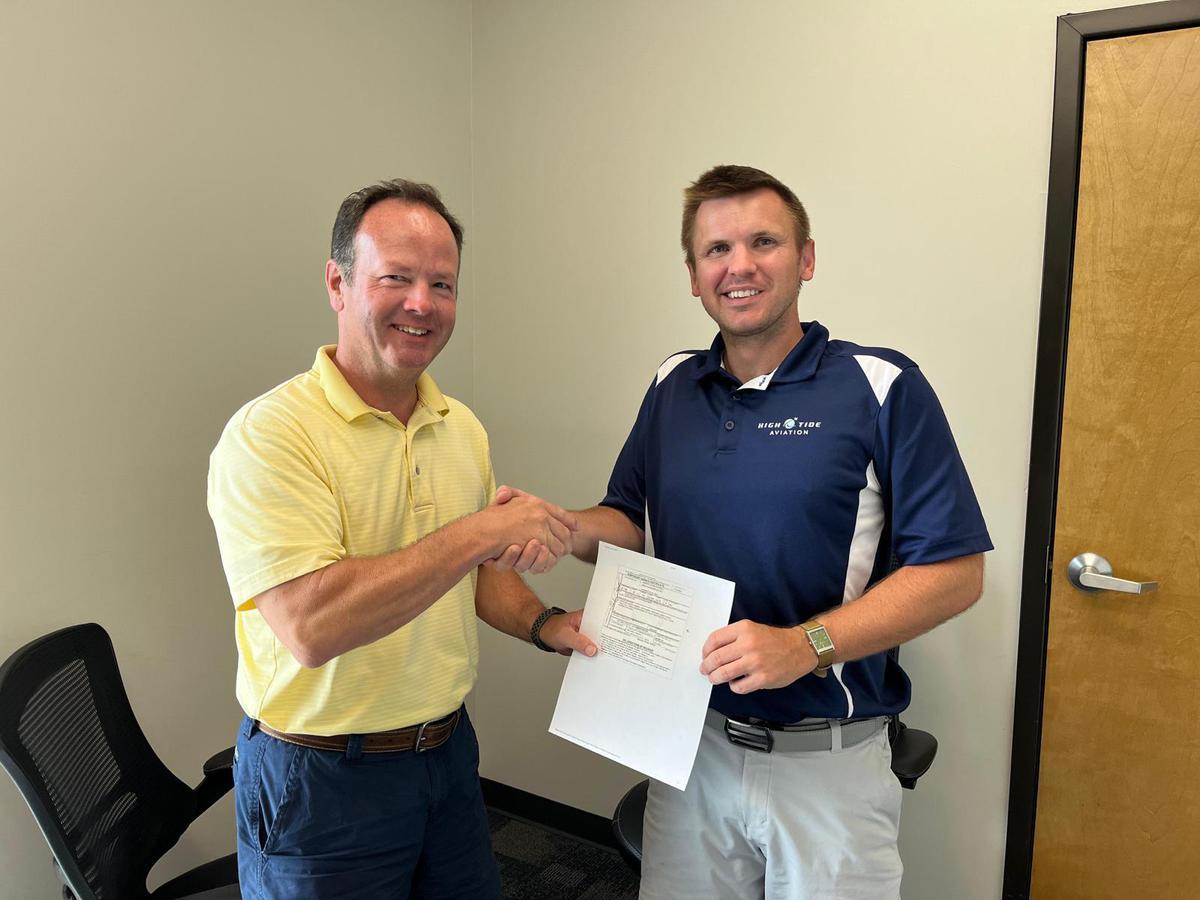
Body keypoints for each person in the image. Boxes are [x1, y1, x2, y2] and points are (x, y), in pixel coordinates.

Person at [561, 164, 992, 899]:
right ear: (694, 276)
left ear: (807, 259)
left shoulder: (881, 386)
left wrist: (805, 645)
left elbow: (954, 573)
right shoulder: (673, 385)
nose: (741, 265)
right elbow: (630, 523)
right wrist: (562, 527)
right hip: (690, 746)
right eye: (717, 250)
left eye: (765, 241)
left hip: (826, 765)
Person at [206, 179, 594, 900]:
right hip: (319, 779)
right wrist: (481, 529)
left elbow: (474, 573)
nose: (423, 302)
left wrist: (548, 625)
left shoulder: (462, 427)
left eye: (442, 284)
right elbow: (314, 626)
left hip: (445, 755)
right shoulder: (270, 437)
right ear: (338, 284)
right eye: (397, 277)